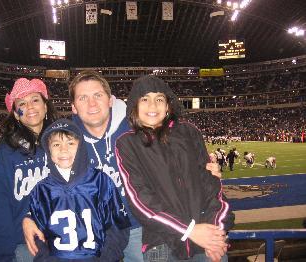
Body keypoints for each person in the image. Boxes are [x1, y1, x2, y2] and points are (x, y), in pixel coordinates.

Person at [23, 71, 222, 261]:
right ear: (73, 106)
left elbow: (174, 154)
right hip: (94, 232)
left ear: (110, 100)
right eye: (83, 98)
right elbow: (49, 178)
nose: (92, 103)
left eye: (98, 95)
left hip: (143, 227)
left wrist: (204, 170)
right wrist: (30, 215)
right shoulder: (67, 136)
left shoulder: (137, 126)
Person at [115, 75, 234, 261]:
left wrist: (216, 234)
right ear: (134, 106)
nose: (153, 106)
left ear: (168, 106)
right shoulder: (127, 144)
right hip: (163, 240)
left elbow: (211, 185)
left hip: (206, 237)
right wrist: (189, 230)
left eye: (159, 99)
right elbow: (141, 201)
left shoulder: (189, 132)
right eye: (145, 99)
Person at [29, 118, 130, 261]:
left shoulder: (100, 181)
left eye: (70, 143)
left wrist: (106, 258)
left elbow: (119, 226)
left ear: (81, 146)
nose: (63, 149)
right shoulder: (41, 191)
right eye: (56, 144)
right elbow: (38, 236)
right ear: (48, 150)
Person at [0, 78, 58, 261]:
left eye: (35, 99)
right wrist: (1, 256)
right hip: (26, 248)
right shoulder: (5, 152)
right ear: (16, 114)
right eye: (22, 103)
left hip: (65, 242)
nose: (30, 107)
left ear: (46, 106)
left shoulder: (62, 143)